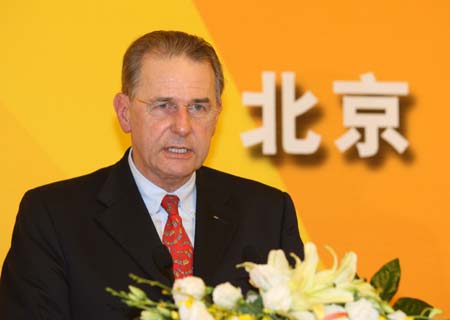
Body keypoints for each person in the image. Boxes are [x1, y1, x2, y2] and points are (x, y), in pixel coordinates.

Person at [0, 30, 303, 319]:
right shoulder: (53, 217)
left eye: (198, 107)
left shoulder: (267, 213)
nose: (183, 126)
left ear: (216, 116)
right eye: (163, 106)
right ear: (124, 112)